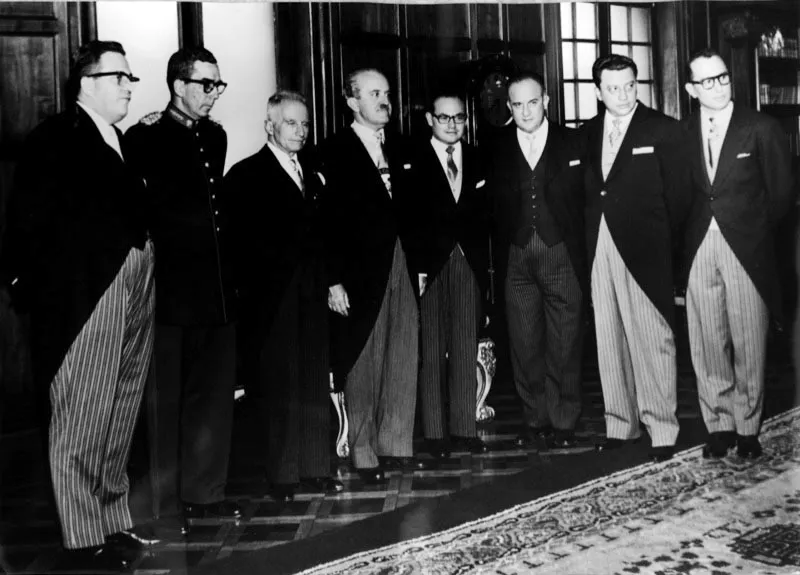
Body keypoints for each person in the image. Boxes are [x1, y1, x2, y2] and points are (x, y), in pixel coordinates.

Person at [0, 40, 157, 569]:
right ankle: (82, 534)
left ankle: (114, 522)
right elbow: (29, 221)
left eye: (130, 79)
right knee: (83, 413)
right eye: (120, 78)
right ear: (86, 82)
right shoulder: (55, 137)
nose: (128, 87)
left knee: (119, 408)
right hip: (87, 291)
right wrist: (35, 288)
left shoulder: (123, 140)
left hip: (135, 278)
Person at [125, 47, 240, 523]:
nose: (214, 94)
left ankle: (205, 491)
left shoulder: (215, 137)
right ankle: (163, 505)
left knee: (211, 397)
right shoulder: (145, 138)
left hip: (214, 290)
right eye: (206, 84)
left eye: (218, 84)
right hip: (170, 292)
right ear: (178, 85)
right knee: (164, 403)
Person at [225, 90, 343, 502]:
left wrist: (331, 281)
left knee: (314, 377)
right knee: (280, 384)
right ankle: (283, 475)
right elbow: (239, 246)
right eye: (291, 123)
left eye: (305, 124)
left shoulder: (312, 172)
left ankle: (316, 467)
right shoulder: (246, 175)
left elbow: (325, 235)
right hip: (271, 296)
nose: (300, 131)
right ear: (270, 125)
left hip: (312, 290)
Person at [682, 49, 796, 459]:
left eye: (723, 77)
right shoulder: (684, 131)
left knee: (749, 339)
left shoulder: (760, 128)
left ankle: (748, 428)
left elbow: (782, 194)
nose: (718, 86)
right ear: (691, 89)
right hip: (699, 246)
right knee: (706, 339)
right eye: (707, 81)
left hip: (747, 246)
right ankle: (720, 425)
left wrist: (754, 230)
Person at [320, 68, 425, 483]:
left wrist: (417, 266)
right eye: (374, 93)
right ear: (352, 101)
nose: (385, 100)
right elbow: (323, 223)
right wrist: (333, 280)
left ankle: (396, 444)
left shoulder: (402, 146)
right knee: (364, 357)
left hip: (401, 261)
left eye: (387, 93)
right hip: (359, 272)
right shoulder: (331, 151)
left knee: (403, 350)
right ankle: (363, 452)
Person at [582, 54, 688, 462]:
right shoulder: (588, 133)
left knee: (651, 338)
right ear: (598, 91)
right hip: (599, 245)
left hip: (646, 248)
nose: (623, 95)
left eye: (629, 85)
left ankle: (662, 427)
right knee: (608, 336)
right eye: (613, 88)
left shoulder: (663, 129)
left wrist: (668, 249)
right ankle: (619, 424)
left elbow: (679, 198)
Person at [487, 72, 586, 450]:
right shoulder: (495, 148)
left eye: (532, 102)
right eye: (517, 104)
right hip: (516, 256)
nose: (526, 111)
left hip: (559, 251)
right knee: (524, 341)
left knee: (565, 340)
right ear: (509, 108)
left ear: (546, 101)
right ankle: (536, 418)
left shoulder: (572, 140)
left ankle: (564, 419)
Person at [407, 91, 491, 459]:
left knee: (463, 346)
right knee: (430, 348)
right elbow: (406, 221)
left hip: (468, 263)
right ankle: (436, 433)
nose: (453, 124)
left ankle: (463, 427)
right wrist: (418, 268)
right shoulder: (411, 158)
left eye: (459, 118)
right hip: (430, 265)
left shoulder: (477, 157)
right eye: (444, 118)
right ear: (430, 119)